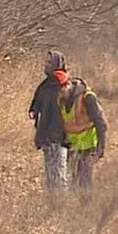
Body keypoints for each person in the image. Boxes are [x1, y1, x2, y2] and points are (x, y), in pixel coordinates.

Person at [56, 70, 108, 198]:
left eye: (61, 90)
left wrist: (100, 149)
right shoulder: (61, 100)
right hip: (72, 148)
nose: (59, 94)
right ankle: (76, 212)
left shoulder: (87, 98)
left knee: (85, 184)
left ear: (67, 85)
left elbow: (102, 124)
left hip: (88, 148)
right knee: (74, 183)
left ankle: (88, 211)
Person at [28, 50, 68, 197]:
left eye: (49, 62)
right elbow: (36, 105)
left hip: (61, 135)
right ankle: (53, 205)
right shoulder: (44, 85)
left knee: (60, 173)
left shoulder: (65, 84)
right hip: (45, 134)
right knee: (51, 175)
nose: (46, 65)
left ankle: (63, 207)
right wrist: (33, 111)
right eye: (46, 62)